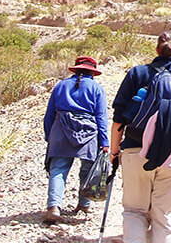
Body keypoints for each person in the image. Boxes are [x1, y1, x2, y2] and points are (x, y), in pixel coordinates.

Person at [110, 31, 171, 243]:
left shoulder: (137, 74)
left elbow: (118, 120)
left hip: (136, 152)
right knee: (165, 215)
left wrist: (114, 152)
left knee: (135, 211)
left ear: (156, 49)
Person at [43, 55, 109, 224]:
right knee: (88, 170)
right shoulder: (97, 88)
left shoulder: (61, 86)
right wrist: (104, 142)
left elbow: (49, 115)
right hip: (88, 133)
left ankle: (54, 207)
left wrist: (49, 135)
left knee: (58, 169)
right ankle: (83, 205)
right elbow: (101, 117)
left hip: (61, 131)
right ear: (92, 72)